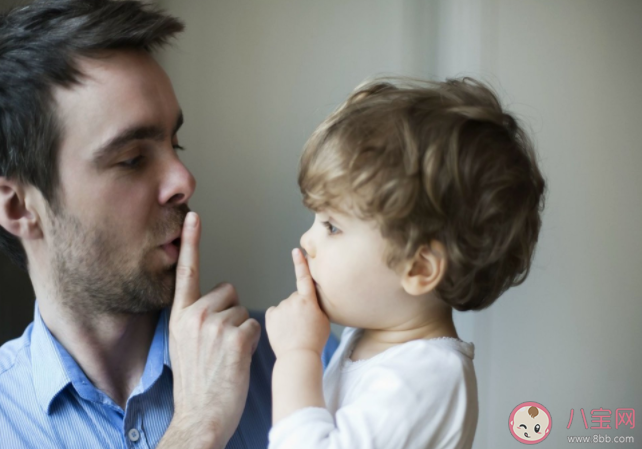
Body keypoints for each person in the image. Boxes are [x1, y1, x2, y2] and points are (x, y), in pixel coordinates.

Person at [0, 1, 335, 448]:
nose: (183, 179)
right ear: (20, 208)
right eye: (133, 159)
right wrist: (197, 426)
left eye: (176, 143)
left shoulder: (311, 363)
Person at [265, 78, 546, 448]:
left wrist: (296, 355)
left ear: (418, 268)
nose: (307, 241)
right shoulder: (369, 337)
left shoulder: (429, 378)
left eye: (332, 226)